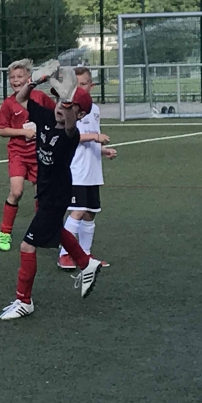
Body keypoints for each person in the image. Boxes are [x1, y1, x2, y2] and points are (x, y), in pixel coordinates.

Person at [1, 71, 103, 320]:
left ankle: (24, 301)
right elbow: (21, 99)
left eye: (69, 105)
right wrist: (35, 82)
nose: (61, 106)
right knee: (56, 229)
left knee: (27, 245)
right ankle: (85, 262)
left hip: (57, 195)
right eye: (59, 101)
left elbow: (69, 124)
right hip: (44, 190)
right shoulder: (45, 116)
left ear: (80, 115)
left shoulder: (71, 135)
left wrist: (68, 105)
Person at [58, 66, 117, 269]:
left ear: (91, 86)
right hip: (76, 170)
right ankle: (64, 254)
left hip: (92, 170)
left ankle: (85, 255)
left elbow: (90, 137)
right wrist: (95, 137)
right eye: (75, 85)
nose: (79, 88)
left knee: (90, 212)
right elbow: (70, 136)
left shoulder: (95, 110)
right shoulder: (69, 110)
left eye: (83, 84)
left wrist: (103, 150)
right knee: (78, 210)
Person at [0, 59, 55, 252]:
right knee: (16, 192)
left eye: (19, 76)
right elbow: (2, 130)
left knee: (41, 194)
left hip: (39, 154)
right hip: (18, 154)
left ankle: (39, 231)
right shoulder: (8, 103)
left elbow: (55, 115)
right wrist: (23, 132)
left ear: (29, 78)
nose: (15, 80)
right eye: (12, 77)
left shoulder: (40, 97)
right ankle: (5, 231)